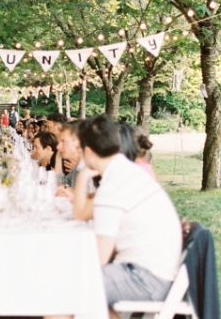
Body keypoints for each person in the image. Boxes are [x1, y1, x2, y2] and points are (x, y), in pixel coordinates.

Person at [77, 116, 181, 316]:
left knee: (64, 289)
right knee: (73, 286)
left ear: (88, 152)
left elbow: (99, 258)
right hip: (159, 273)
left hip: (147, 279)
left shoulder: (112, 186)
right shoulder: (127, 172)